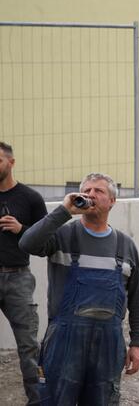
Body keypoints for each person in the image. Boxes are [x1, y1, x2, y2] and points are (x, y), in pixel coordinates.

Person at [19, 172, 139, 405]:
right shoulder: (62, 235)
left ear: (112, 201)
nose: (90, 195)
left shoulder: (125, 246)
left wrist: (137, 344)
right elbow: (27, 243)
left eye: (98, 191)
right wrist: (64, 211)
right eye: (86, 190)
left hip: (108, 344)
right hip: (64, 343)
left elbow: (138, 298)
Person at [0, 141, 47, 404]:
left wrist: (21, 229)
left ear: (11, 163)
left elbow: (45, 244)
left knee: (29, 346)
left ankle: (38, 400)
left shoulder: (30, 198)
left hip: (18, 277)